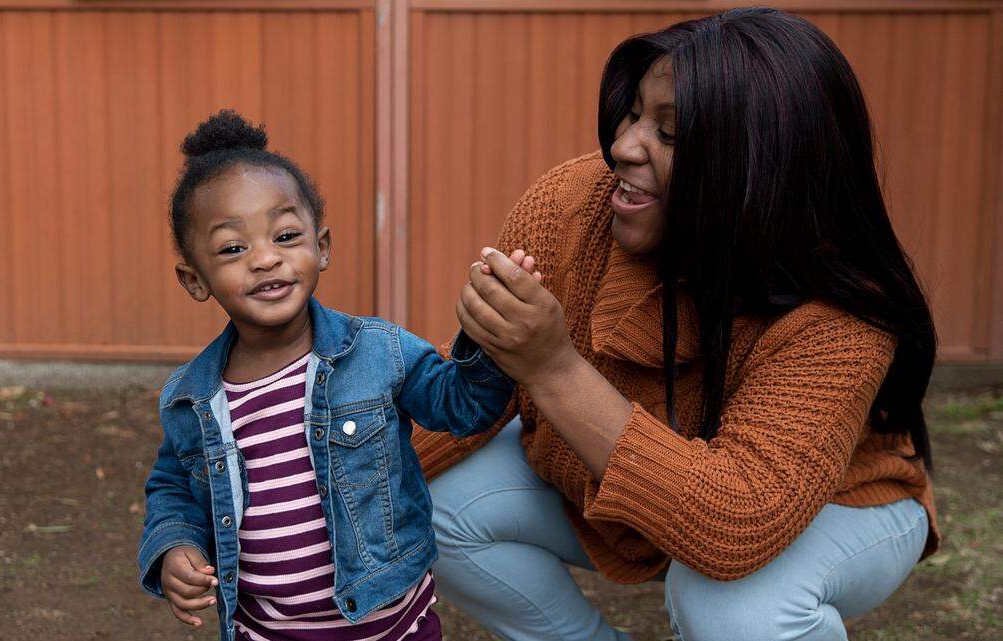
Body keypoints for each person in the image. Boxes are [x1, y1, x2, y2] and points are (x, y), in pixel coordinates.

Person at [414, 8, 940, 641]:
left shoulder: (840, 317)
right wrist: (340, 468)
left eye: (670, 133)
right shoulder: (571, 203)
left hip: (836, 507)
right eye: (634, 113)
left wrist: (551, 366)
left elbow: (735, 522)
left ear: (763, 168)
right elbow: (478, 399)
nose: (622, 146)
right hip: (626, 494)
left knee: (731, 606)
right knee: (421, 506)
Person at [136, 110, 518, 641]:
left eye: (286, 235)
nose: (266, 259)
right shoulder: (194, 397)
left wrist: (488, 335)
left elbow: (465, 407)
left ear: (322, 247)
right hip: (267, 631)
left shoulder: (378, 351)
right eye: (232, 248)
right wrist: (176, 543)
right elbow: (173, 485)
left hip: (392, 627)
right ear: (194, 279)